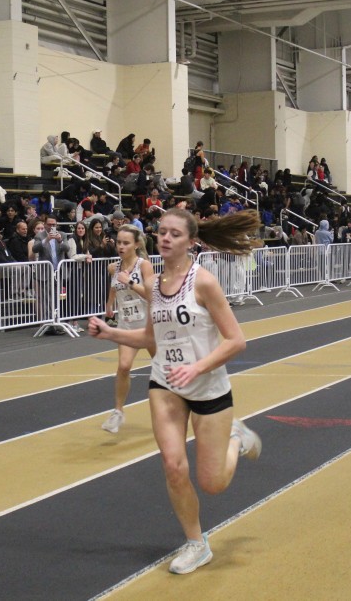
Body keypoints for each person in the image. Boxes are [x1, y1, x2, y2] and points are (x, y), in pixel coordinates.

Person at [87, 208, 262, 575]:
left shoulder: (204, 282)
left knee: (212, 483)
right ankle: (196, 543)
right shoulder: (153, 285)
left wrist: (197, 367)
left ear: (191, 241)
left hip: (208, 386)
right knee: (173, 465)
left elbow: (236, 340)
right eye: (162, 232)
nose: (165, 238)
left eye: (175, 234)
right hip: (165, 383)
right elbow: (151, 338)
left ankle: (236, 438)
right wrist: (110, 332)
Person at [100, 224, 155, 434]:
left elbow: (152, 295)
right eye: (119, 243)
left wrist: (131, 282)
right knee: (123, 366)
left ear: (136, 245)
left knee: (164, 368)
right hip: (127, 325)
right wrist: (109, 304)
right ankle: (118, 412)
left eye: (126, 243)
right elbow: (115, 287)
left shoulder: (144, 266)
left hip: (149, 326)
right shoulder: (113, 267)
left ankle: (184, 402)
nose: (121, 247)